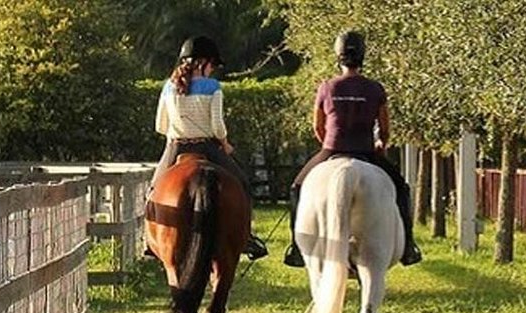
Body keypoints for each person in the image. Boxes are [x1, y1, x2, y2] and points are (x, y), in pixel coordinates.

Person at [283, 30, 422, 267]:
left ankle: (297, 248)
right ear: (362, 57)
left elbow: (318, 126)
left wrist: (328, 143)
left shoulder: (327, 87)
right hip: (366, 151)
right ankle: (408, 246)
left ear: (338, 57)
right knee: (402, 189)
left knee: (297, 187)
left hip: (331, 148)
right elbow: (385, 128)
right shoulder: (375, 89)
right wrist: (381, 144)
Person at [150, 35, 268, 260]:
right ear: (202, 63)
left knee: (154, 190)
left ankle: (151, 241)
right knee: (242, 183)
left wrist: (178, 134)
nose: (212, 70)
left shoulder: (169, 86)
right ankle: (247, 237)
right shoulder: (213, 87)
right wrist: (224, 143)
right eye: (212, 65)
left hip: (176, 146)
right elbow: (217, 126)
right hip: (207, 147)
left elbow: (160, 126)